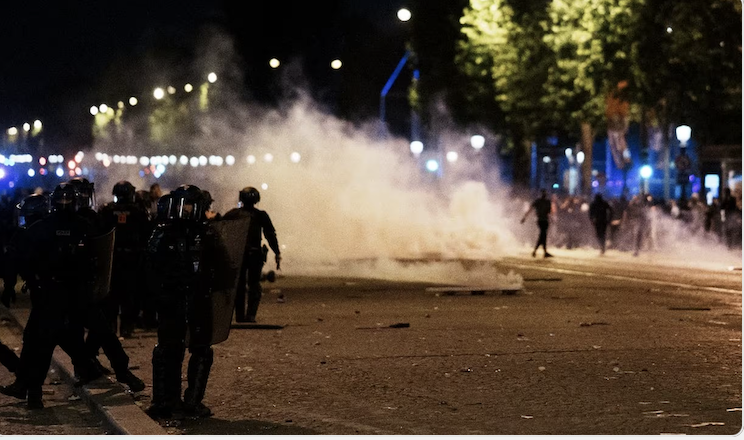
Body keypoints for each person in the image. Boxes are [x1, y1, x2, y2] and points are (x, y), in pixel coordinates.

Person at [0, 184, 103, 409]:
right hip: (68, 294)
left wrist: (26, 281)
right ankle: (30, 387)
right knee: (47, 340)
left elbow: (24, 260)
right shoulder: (81, 226)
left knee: (43, 342)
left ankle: (32, 390)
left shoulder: (44, 228)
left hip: (53, 294)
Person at [144, 185, 218, 419]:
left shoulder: (205, 233)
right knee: (169, 350)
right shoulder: (165, 232)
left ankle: (189, 401)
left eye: (190, 205)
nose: (186, 210)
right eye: (183, 205)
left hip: (196, 298)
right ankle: (166, 401)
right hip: (174, 299)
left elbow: (221, 268)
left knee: (200, 349)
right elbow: (149, 268)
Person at [98, 181, 151, 338]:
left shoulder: (108, 210)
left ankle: (112, 326)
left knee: (113, 295)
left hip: (114, 259)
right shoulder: (138, 211)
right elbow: (146, 233)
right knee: (129, 295)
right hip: (130, 259)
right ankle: (126, 327)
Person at [222, 186, 281, 322]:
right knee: (254, 285)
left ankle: (240, 316)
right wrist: (277, 252)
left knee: (239, 285)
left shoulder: (233, 214)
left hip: (238, 254)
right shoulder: (261, 215)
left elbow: (221, 230)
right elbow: (270, 235)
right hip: (254, 254)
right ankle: (250, 315)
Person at [520, 189, 553, 258]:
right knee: (543, 236)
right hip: (543, 220)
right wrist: (524, 218)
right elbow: (549, 212)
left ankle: (540, 251)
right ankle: (538, 251)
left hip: (541, 220)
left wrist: (524, 218)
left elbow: (530, 210)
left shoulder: (539, 202)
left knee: (543, 236)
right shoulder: (546, 202)